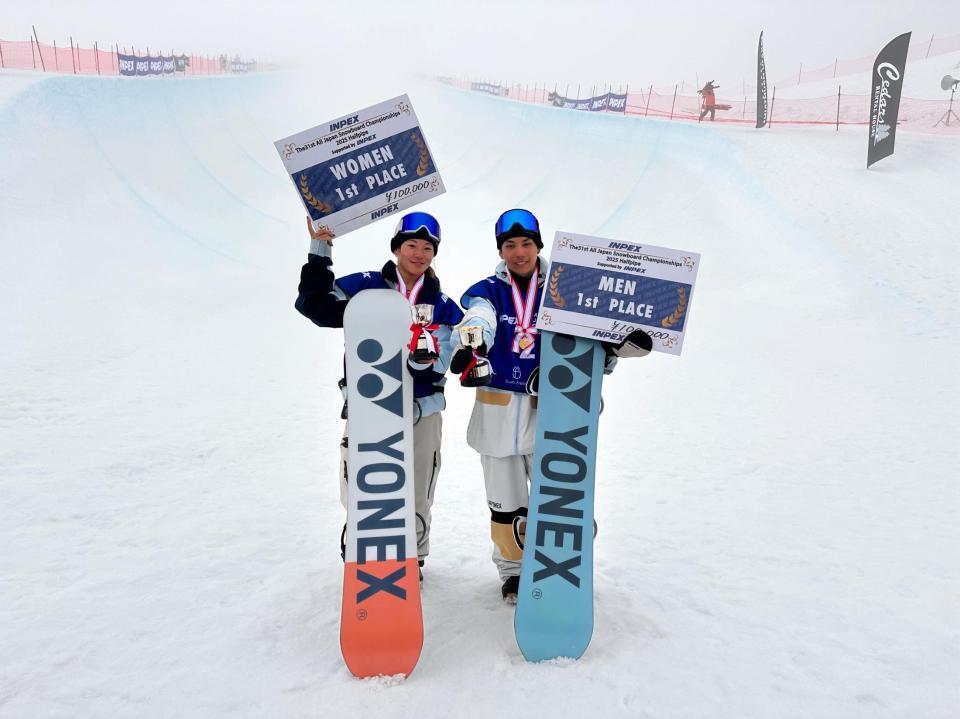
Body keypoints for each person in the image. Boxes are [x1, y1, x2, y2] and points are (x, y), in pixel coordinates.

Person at [294, 211, 464, 578]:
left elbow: (447, 358)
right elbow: (316, 306)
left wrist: (428, 361)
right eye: (411, 245)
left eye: (427, 247)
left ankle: (413, 556)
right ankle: (364, 544)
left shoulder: (445, 305)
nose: (419, 253)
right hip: (369, 406)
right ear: (397, 248)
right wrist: (320, 247)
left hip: (421, 409)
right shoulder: (366, 286)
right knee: (365, 483)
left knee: (419, 485)